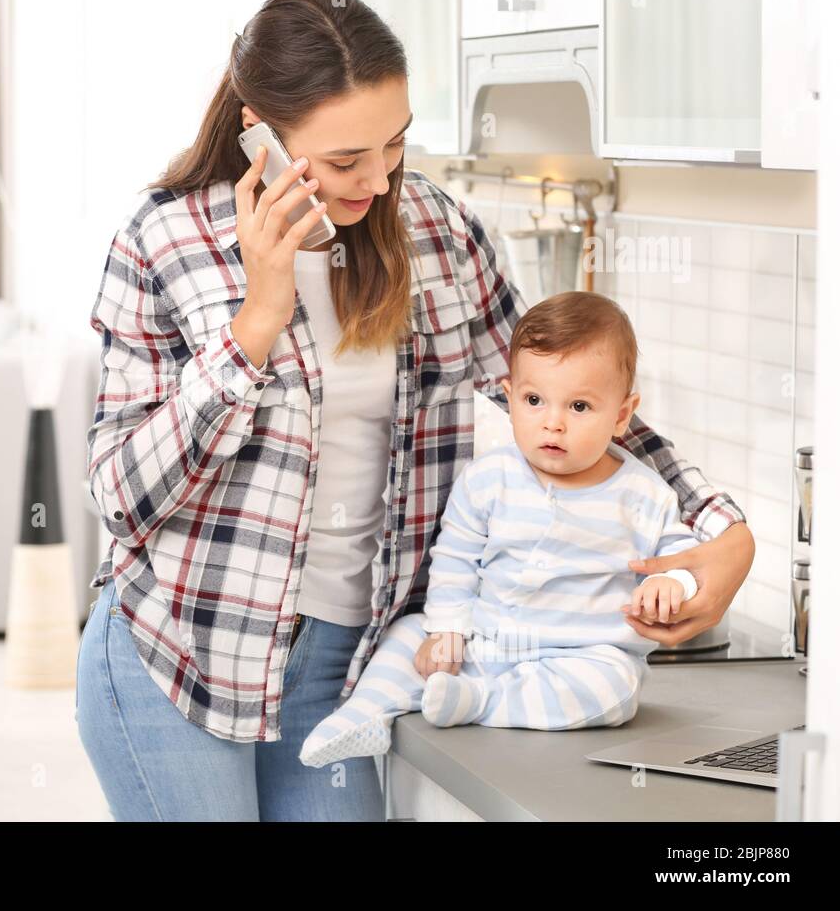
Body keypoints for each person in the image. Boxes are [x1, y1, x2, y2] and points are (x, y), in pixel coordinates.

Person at [75, 0, 756, 822]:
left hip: (345, 665)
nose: (379, 178)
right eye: (343, 161)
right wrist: (256, 320)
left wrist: (724, 529)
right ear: (260, 132)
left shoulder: (439, 233)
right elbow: (120, 495)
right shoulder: (166, 240)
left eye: (392, 145)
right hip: (179, 653)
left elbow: (571, 400)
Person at [299, 292, 703, 768]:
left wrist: (671, 582)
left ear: (620, 415)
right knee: (406, 635)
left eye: (578, 407)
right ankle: (362, 715)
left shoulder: (643, 493)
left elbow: (682, 552)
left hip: (579, 655)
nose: (552, 423)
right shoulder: (489, 479)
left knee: (613, 690)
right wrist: (448, 629)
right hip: (484, 642)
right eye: (534, 400)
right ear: (509, 398)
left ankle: (479, 701)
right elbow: (454, 560)